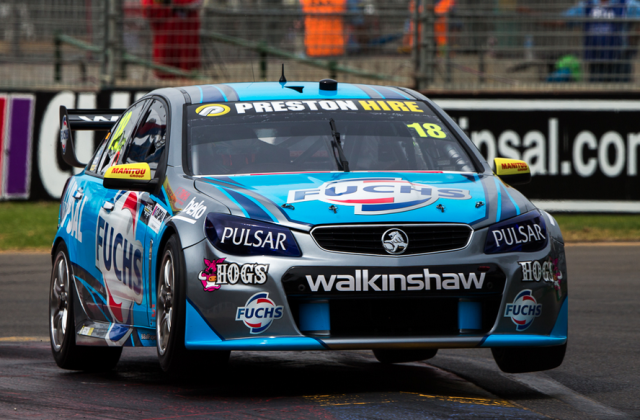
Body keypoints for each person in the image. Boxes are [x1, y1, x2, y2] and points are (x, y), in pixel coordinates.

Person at [564, 0, 640, 82]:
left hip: (620, 58)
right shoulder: (588, 5)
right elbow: (564, 19)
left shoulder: (626, 4)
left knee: (620, 90)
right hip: (596, 59)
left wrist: (635, 34)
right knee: (598, 90)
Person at [142, 0, 202, 78]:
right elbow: (149, 10)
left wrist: (183, 7)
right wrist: (171, 7)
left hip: (186, 34)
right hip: (166, 38)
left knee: (188, 70)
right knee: (166, 71)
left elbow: (197, 3)